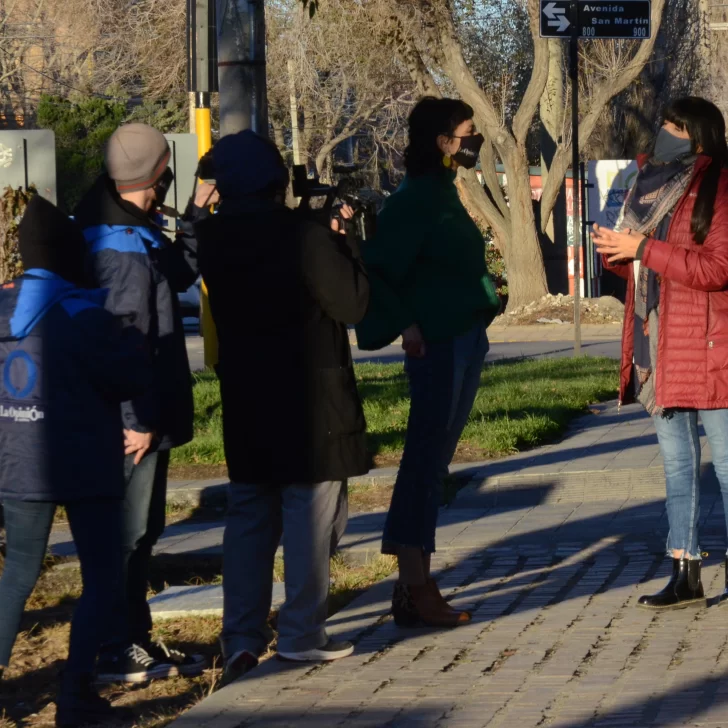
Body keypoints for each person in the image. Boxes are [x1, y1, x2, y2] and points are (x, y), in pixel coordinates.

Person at [195, 130, 370, 685]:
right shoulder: (304, 237)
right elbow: (352, 304)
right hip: (311, 402)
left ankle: (242, 638)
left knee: (248, 517)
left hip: (248, 396)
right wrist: (342, 238)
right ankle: (300, 633)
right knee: (309, 515)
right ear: (276, 180)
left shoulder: (214, 241)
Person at [73, 123, 218, 681]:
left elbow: (178, 269)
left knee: (139, 532)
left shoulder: (118, 225)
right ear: (157, 172)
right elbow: (127, 339)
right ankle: (117, 646)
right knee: (128, 535)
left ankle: (133, 638)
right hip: (130, 421)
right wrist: (136, 421)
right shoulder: (122, 251)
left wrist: (197, 215)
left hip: (130, 414)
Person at [0, 195, 152, 727]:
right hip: (87, 466)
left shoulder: (3, 306)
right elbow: (132, 377)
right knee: (103, 574)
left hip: (16, 464)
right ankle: (76, 692)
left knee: (16, 576)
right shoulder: (86, 312)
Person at [356, 97, 501, 628]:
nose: (474, 141)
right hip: (437, 345)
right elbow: (376, 270)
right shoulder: (416, 198)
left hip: (465, 337)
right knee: (422, 464)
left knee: (433, 464)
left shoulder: (442, 191)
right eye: (468, 133)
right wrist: (407, 322)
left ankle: (410, 586)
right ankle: (417, 586)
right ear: (443, 142)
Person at [593, 97, 728, 610]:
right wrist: (619, 254)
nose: (664, 131)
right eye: (664, 122)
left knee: (727, 467)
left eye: (675, 125)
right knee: (676, 466)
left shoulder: (719, 185)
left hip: (711, 347)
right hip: (661, 342)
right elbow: (647, 266)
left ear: (698, 134)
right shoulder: (648, 183)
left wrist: (643, 250)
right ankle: (685, 573)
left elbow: (717, 268)